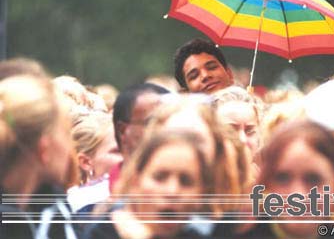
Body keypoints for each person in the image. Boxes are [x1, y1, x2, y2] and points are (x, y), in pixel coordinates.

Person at [230, 120, 334, 239]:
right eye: (282, 178)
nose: (298, 195)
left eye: (313, 180)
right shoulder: (230, 233)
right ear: (266, 182)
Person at [83, 129, 212, 239]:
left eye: (186, 181)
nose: (172, 191)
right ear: (135, 182)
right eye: (160, 178)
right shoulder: (100, 233)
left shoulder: (207, 233)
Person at [0, 75, 77, 239]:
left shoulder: (46, 211)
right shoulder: (14, 228)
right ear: (44, 149)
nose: (71, 147)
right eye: (66, 133)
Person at [67, 111, 123, 213]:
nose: (128, 157)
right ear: (86, 162)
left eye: (132, 149)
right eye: (117, 151)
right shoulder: (76, 205)